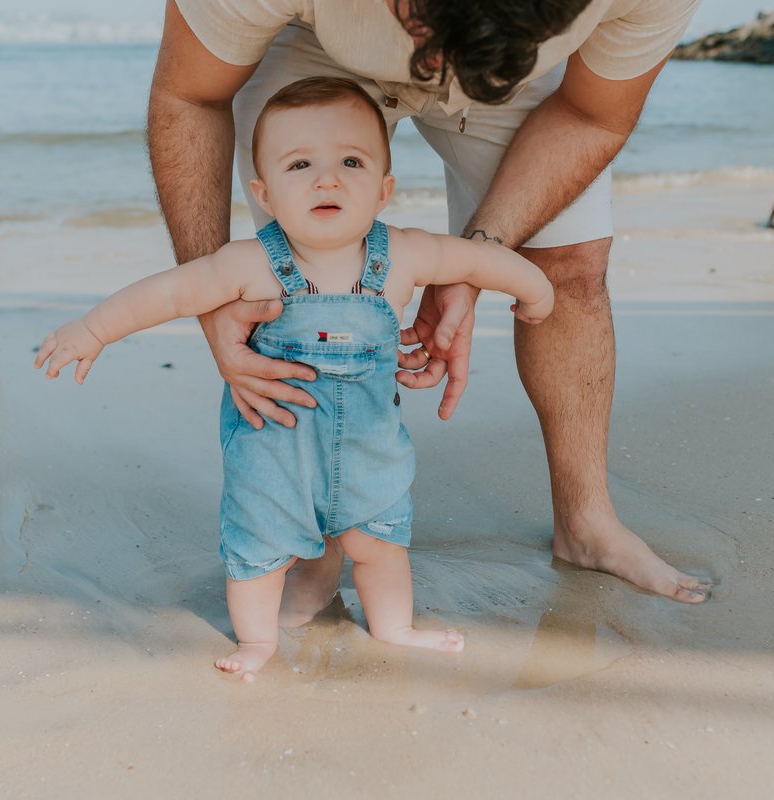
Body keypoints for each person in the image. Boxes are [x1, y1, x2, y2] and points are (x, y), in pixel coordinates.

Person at [147, 0, 715, 616]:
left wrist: (476, 257)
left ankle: (587, 523)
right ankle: (313, 551)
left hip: (519, 73)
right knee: (300, 286)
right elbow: (190, 95)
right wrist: (212, 295)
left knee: (570, 264)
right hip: (320, 45)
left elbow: (591, 113)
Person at [36, 78, 554, 681]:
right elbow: (172, 292)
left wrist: (535, 290)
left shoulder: (405, 255)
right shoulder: (249, 263)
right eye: (300, 164)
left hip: (370, 459)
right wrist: (95, 329)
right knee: (256, 553)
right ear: (263, 191)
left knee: (382, 546)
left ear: (385, 189)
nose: (327, 179)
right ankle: (257, 642)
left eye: (351, 162)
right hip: (272, 459)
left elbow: (478, 260)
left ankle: (395, 626)